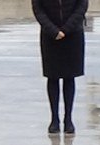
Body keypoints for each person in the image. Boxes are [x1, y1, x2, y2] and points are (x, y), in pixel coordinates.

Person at [32, 0, 88, 135]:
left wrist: (67, 29)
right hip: (50, 35)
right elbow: (38, 9)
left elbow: (82, 6)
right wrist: (52, 30)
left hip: (73, 34)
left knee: (70, 77)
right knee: (53, 76)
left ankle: (68, 118)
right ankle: (54, 119)